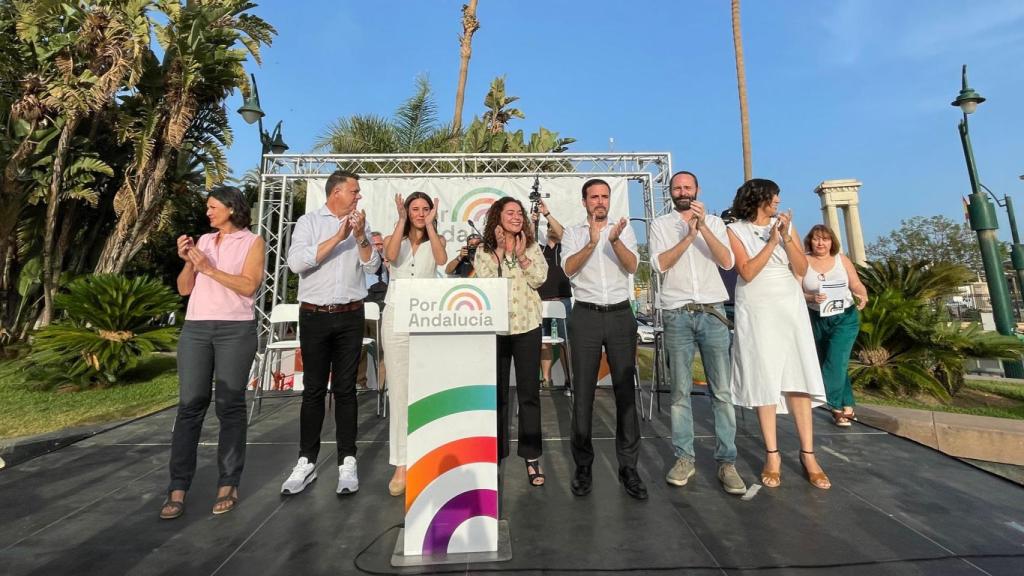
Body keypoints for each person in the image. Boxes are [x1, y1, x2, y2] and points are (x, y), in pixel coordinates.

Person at [161, 186, 265, 519]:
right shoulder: (203, 242)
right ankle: (178, 487)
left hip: (234, 330)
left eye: (213, 206)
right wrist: (189, 262)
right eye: (207, 207)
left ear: (232, 208)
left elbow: (249, 285)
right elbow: (184, 289)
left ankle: (228, 482)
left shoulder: (252, 242)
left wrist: (208, 268)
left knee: (229, 405)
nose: (208, 212)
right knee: (190, 405)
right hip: (196, 329)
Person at [726, 178, 830, 490]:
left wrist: (785, 238)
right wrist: (770, 242)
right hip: (756, 305)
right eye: (775, 196)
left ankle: (808, 454)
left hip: (788, 303)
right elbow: (745, 271)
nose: (778, 202)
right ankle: (773, 454)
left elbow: (801, 268)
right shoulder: (736, 230)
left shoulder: (785, 226)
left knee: (797, 373)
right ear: (760, 198)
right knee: (764, 377)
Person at [280, 170, 379, 496]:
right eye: (354, 190)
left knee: (346, 390)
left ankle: (347, 460)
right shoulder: (309, 223)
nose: (358, 196)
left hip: (351, 314)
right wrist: (339, 237)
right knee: (313, 390)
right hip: (314, 316)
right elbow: (297, 264)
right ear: (336, 192)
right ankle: (306, 461)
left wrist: (361, 236)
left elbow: (372, 267)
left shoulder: (359, 225)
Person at [650, 171, 746, 495]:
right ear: (670, 192)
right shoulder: (661, 225)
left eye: (687, 187)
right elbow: (659, 264)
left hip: (712, 312)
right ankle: (684, 458)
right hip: (677, 313)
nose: (682, 191)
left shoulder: (715, 223)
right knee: (679, 393)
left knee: (721, 391)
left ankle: (727, 462)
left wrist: (702, 227)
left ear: (697, 190)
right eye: (677, 187)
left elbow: (727, 260)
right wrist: (688, 236)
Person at [562, 179, 646, 500]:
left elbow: (633, 266)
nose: (600, 201)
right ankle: (583, 467)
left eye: (604, 197)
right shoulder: (573, 233)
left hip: (620, 314)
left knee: (626, 393)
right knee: (583, 394)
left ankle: (629, 468)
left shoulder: (623, 230)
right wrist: (592, 242)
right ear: (584, 201)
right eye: (594, 197)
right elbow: (569, 269)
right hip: (585, 315)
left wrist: (613, 241)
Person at [473, 197, 548, 486]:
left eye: (519, 213)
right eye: (510, 213)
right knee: (497, 395)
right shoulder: (484, 250)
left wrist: (523, 257)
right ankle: (495, 455)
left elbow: (540, 279)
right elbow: (483, 281)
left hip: (527, 326)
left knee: (529, 394)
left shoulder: (531, 246)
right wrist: (501, 251)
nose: (516, 217)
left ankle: (531, 456)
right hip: (496, 329)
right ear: (498, 217)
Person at [382, 192, 447, 496]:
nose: (420, 213)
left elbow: (442, 260)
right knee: (398, 390)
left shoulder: (438, 236)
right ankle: (401, 463)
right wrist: (400, 221)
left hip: (428, 315)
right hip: (396, 314)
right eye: (415, 209)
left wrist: (432, 227)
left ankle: (428, 456)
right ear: (406, 210)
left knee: (427, 388)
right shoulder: (396, 236)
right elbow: (392, 256)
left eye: (425, 209)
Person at [802, 224, 868, 427]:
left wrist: (862, 294)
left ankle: (833, 406)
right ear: (810, 241)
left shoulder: (842, 260)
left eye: (825, 239)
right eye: (816, 238)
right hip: (817, 318)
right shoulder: (802, 261)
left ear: (832, 242)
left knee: (836, 361)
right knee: (830, 360)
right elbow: (794, 290)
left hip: (844, 318)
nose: (821, 243)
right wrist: (811, 296)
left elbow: (855, 283)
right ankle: (847, 405)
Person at [533, 200, 572, 390]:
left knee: (567, 342)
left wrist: (547, 214)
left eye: (554, 226)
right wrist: (534, 221)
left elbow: (563, 234)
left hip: (563, 301)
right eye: (548, 227)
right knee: (543, 341)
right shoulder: (539, 250)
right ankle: (546, 379)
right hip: (542, 301)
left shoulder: (566, 248)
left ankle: (569, 379)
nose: (551, 229)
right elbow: (528, 241)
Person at [356, 231, 389, 391]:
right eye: (375, 244)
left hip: (382, 310)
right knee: (359, 348)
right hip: (363, 308)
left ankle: (382, 389)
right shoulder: (361, 262)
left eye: (380, 244)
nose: (378, 247)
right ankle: (359, 384)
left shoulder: (389, 262)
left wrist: (391, 268)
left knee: (383, 350)